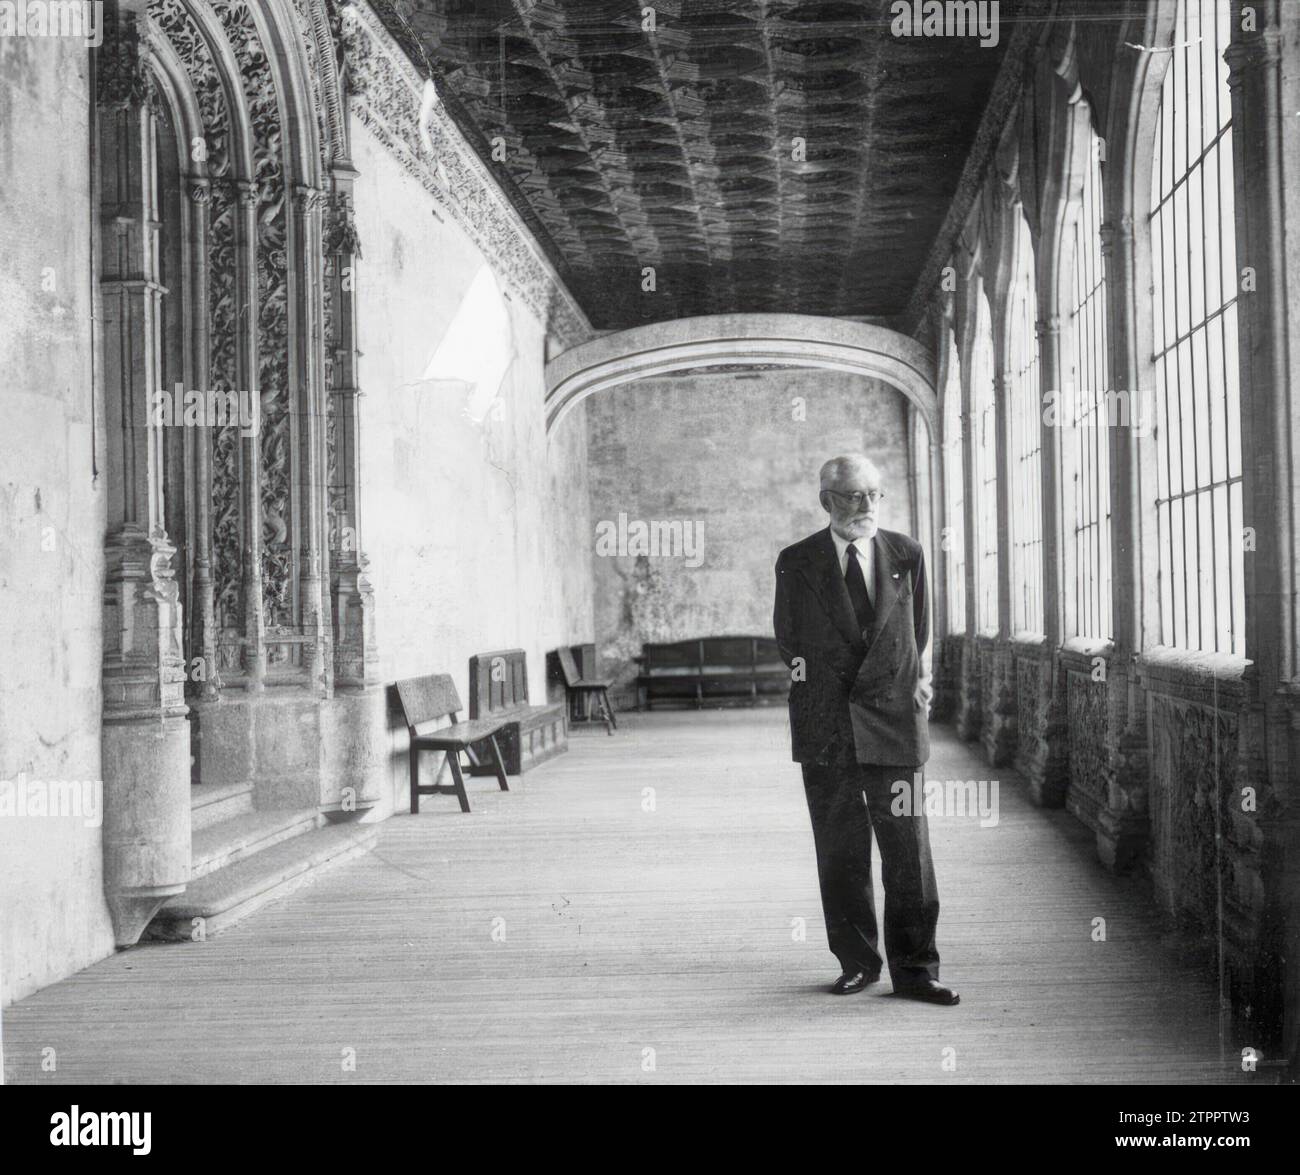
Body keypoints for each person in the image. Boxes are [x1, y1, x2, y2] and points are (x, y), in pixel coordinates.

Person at [773, 453, 958, 1005]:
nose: (865, 506)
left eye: (873, 494)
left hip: (895, 725)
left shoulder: (907, 553)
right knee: (840, 850)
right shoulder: (796, 561)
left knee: (909, 852)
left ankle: (917, 970)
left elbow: (915, 631)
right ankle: (857, 963)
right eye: (853, 496)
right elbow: (789, 641)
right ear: (826, 499)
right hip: (826, 727)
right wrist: (829, 691)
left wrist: (897, 686)